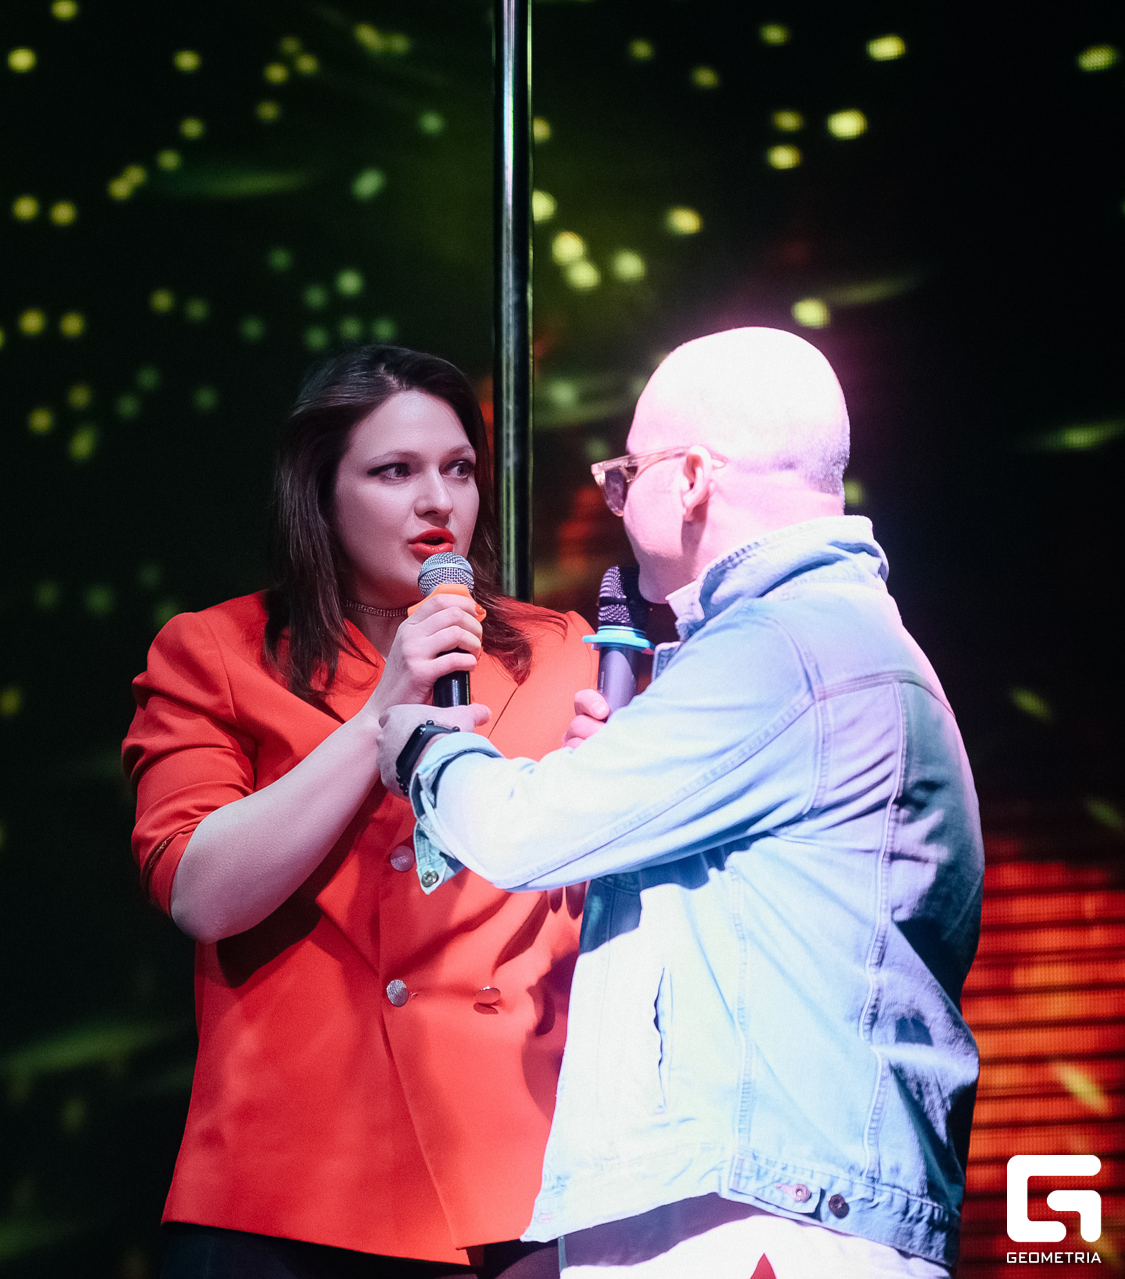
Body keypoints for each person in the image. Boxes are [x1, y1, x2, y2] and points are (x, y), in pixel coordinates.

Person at [377, 327, 982, 1277]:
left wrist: (422, 744)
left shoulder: (780, 646)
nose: (615, 502)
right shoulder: (837, 640)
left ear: (693, 477)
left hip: (759, 1219)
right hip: (768, 1204)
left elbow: (524, 830)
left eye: (627, 475)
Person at [122, 346, 595, 1279]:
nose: (438, 501)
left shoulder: (560, 653)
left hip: (517, 1170)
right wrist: (382, 714)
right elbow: (199, 892)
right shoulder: (218, 651)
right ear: (321, 491)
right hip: (294, 1186)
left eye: (459, 468)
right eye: (394, 472)